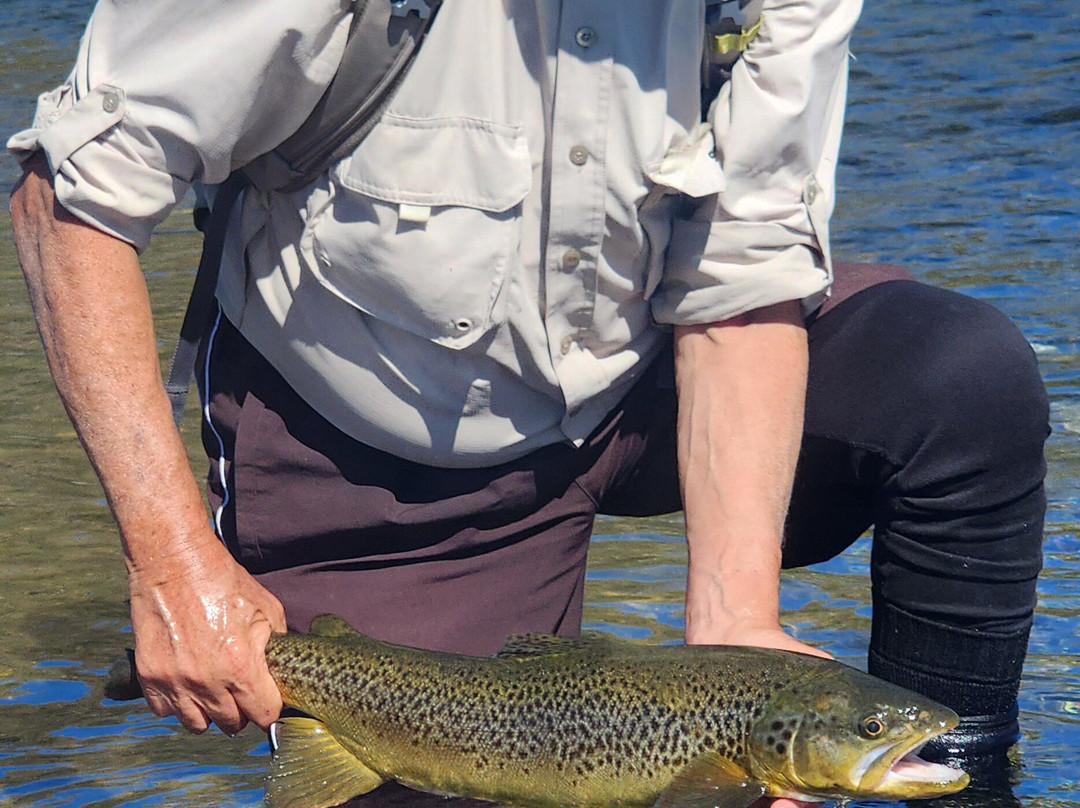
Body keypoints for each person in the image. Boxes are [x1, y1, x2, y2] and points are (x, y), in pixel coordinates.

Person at [9, 1, 1046, 805]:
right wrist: (174, 563)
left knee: (964, 383)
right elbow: (70, 199)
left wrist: (737, 625)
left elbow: (743, 277)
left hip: (646, 381)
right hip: (376, 452)